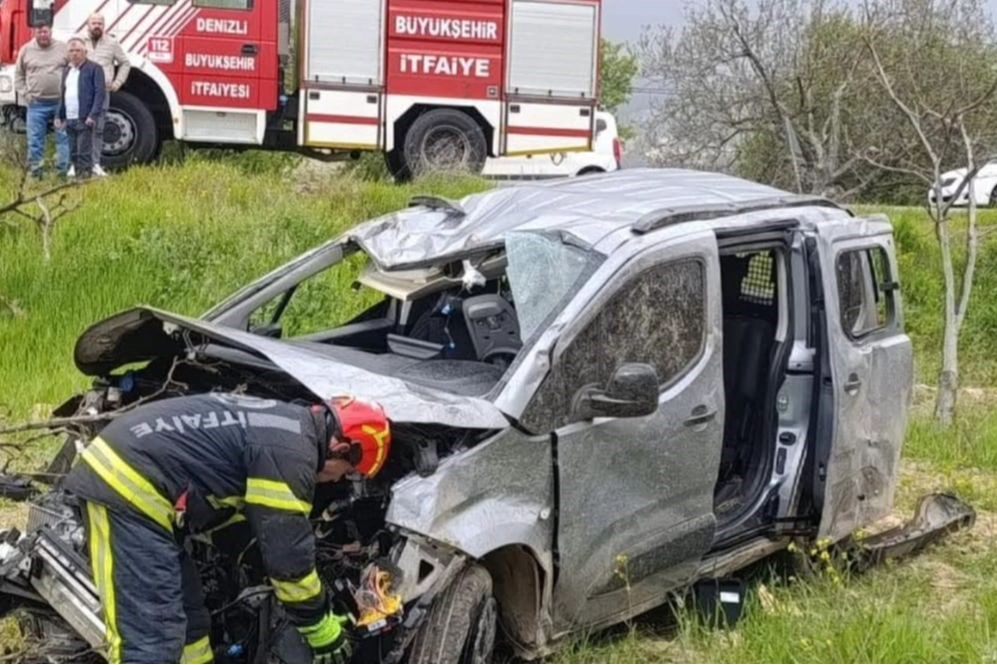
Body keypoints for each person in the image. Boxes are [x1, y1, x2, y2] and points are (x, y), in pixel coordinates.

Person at [63, 393, 393, 664]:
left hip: (144, 484)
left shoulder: (287, 426)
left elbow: (234, 519)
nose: (337, 481)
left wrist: (256, 560)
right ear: (342, 449)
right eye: (348, 472)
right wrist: (319, 625)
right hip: (130, 489)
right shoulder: (294, 456)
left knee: (190, 624)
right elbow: (288, 561)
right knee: (151, 640)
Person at [13, 23, 69, 179]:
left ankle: (62, 173)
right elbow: (18, 76)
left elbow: (73, 70)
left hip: (59, 104)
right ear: (34, 33)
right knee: (35, 140)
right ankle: (36, 173)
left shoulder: (63, 48)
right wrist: (26, 94)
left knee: (63, 138)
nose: (43, 35)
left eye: (45, 31)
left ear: (51, 31)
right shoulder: (26, 50)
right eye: (39, 32)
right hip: (36, 104)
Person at [83, 13, 130, 177]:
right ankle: (78, 164)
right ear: (88, 24)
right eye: (94, 23)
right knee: (80, 128)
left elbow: (125, 63)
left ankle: (95, 164)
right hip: (83, 92)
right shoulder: (79, 41)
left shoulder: (112, 43)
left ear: (104, 25)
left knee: (98, 129)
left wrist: (118, 82)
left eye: (100, 23)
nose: (97, 26)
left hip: (102, 92)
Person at [56, 39, 105, 180]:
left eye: (78, 50)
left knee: (84, 152)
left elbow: (99, 93)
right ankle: (77, 179)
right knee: (73, 153)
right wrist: (59, 115)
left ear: (85, 52)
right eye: (71, 51)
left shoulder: (95, 69)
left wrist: (93, 115)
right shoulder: (67, 71)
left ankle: (85, 180)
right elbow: (63, 93)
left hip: (84, 117)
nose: (74, 54)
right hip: (70, 117)